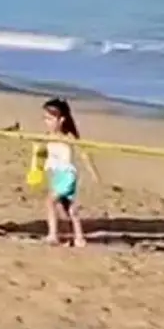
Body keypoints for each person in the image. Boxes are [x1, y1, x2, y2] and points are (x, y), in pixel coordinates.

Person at [40, 97, 100, 247]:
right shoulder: (48, 136)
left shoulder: (68, 137)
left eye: (49, 119)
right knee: (68, 207)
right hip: (55, 174)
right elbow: (47, 154)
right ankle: (78, 237)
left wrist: (94, 173)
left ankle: (53, 235)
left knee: (49, 202)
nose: (46, 122)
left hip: (66, 175)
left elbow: (83, 154)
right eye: (45, 118)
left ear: (61, 120)